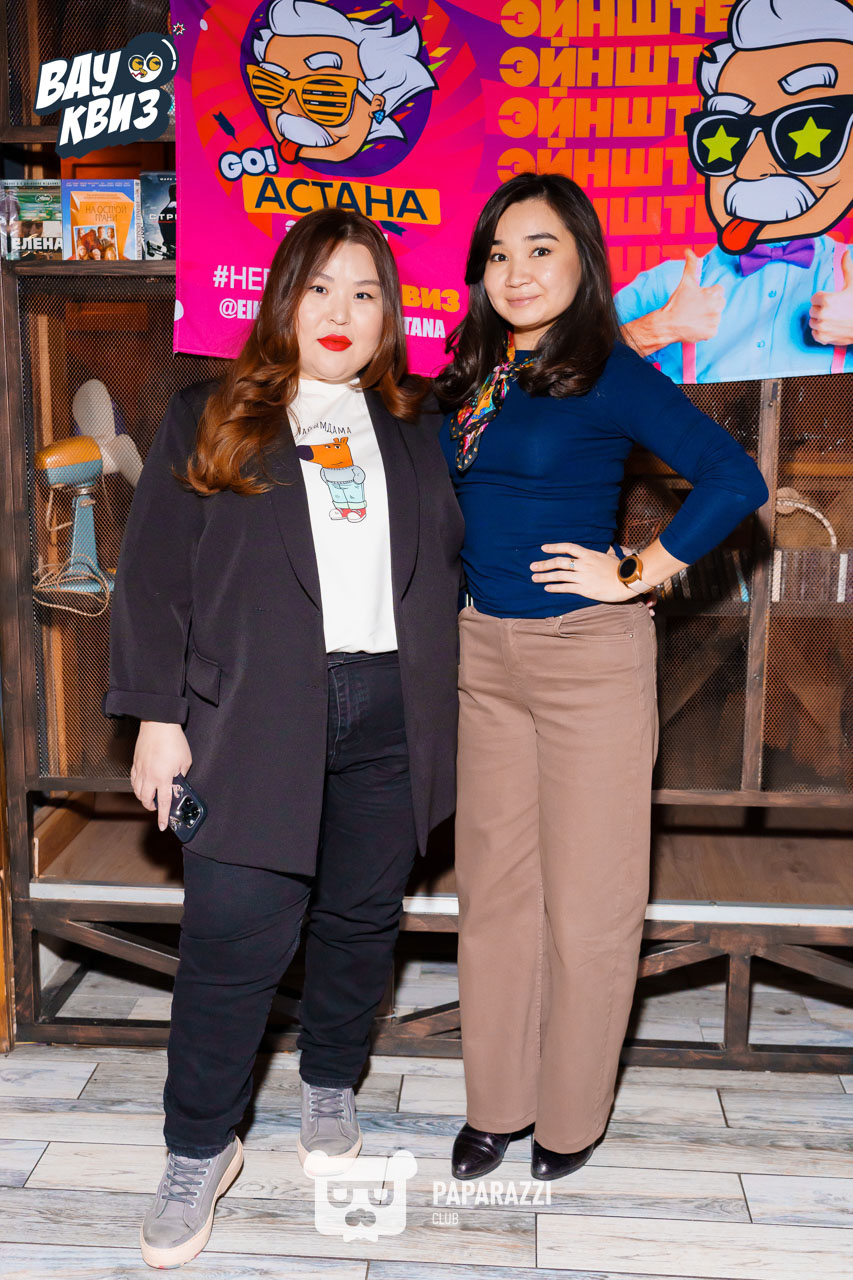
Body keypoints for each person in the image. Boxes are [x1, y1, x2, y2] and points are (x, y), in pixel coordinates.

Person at [103, 207, 463, 1268]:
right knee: (231, 937)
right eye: (319, 288)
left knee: (359, 921)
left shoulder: (417, 425)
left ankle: (329, 1081)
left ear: (389, 314)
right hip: (251, 714)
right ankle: (197, 1147)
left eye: (364, 292)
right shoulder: (209, 414)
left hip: (391, 710)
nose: (341, 311)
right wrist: (157, 719)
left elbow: (460, 557)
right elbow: (154, 580)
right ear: (282, 301)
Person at [435, 173, 769, 1183]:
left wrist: (635, 571)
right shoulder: (473, 377)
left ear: (582, 259)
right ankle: (495, 1105)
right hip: (481, 655)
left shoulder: (609, 372)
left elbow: (735, 478)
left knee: (588, 905)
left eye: (538, 249)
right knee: (494, 898)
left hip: (585, 659)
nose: (515, 271)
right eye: (498, 254)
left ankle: (570, 1117)